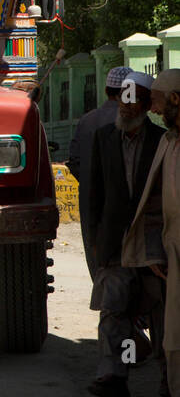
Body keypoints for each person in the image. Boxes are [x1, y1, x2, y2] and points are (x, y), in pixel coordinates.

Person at [85, 72, 165, 397]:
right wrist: (97, 244)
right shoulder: (104, 137)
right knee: (118, 308)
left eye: (134, 101)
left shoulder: (163, 140)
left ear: (147, 105)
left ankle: (167, 377)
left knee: (159, 309)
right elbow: (94, 197)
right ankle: (117, 375)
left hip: (152, 241)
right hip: (116, 242)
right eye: (123, 99)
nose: (126, 107)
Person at [122, 68, 180, 397]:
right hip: (173, 252)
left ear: (175, 99)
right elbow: (156, 202)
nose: (153, 109)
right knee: (173, 335)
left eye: (157, 100)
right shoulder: (169, 142)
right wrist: (156, 250)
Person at [70, 66, 131, 276]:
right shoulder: (134, 122)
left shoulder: (87, 120)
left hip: (90, 200)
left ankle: (102, 293)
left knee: (95, 250)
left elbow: (75, 160)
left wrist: (89, 180)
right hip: (126, 199)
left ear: (106, 90)